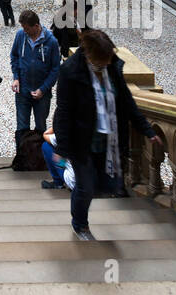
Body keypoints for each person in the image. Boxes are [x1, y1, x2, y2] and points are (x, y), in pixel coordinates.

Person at [53, 28, 163, 240]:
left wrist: (147, 130)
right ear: (89, 54)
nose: (104, 63)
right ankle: (80, 224)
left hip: (106, 139)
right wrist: (62, 148)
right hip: (81, 140)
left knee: (97, 184)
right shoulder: (70, 71)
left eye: (107, 59)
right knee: (85, 186)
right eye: (101, 60)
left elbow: (126, 101)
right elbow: (64, 110)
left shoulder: (112, 67)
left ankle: (83, 214)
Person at [10, 9, 61, 142]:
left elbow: (55, 69)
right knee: (21, 128)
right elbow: (14, 56)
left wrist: (43, 89)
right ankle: (21, 159)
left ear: (36, 26)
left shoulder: (52, 42)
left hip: (42, 94)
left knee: (41, 127)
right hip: (23, 91)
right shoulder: (20, 35)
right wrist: (16, 77)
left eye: (27, 28)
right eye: (23, 27)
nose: (24, 31)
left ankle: (39, 159)